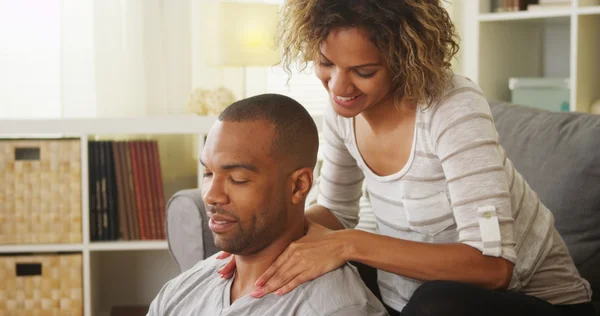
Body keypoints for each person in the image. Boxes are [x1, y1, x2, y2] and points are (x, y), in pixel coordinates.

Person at [216, 1, 596, 315]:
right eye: (327, 64)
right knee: (320, 276)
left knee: (433, 302)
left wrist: (349, 243)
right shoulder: (342, 112)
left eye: (364, 71)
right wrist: (260, 239)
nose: (339, 87)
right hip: (408, 301)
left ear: (404, 58)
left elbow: (493, 267)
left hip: (535, 301)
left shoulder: (452, 109)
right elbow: (335, 213)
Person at [147, 93, 388, 316]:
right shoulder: (181, 291)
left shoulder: (335, 308)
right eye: (208, 173)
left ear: (298, 186)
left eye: (237, 179)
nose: (211, 196)